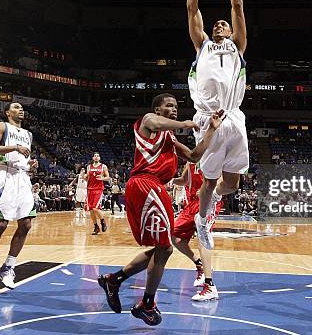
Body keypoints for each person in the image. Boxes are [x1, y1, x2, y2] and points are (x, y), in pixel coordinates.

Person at [97, 93, 223, 326]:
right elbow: (154, 122)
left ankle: (115, 280)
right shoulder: (148, 122)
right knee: (165, 248)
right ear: (157, 109)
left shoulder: (169, 138)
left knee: (162, 249)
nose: (174, 109)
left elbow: (194, 156)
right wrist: (186, 124)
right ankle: (146, 303)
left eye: (176, 106)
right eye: (169, 106)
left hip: (156, 188)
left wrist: (211, 131)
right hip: (145, 183)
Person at [187, 0, 248, 249]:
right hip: (209, 116)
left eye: (223, 23)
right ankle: (202, 219)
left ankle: (205, 203)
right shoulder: (203, 46)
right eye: (217, 24)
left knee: (233, 183)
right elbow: (192, 9)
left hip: (234, 116)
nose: (220, 24)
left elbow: (237, 6)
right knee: (209, 181)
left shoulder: (237, 45)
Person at [0, 102, 38, 291]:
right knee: (2, 224)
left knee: (26, 224)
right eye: (16, 107)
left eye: (21, 108)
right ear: (7, 112)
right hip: (5, 175)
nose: (21, 110)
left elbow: (24, 158)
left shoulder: (28, 134)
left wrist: (31, 165)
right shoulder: (2, 126)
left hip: (22, 176)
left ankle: (7, 268)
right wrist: (15, 148)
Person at [171, 161, 222, 301]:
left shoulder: (215, 157)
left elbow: (224, 180)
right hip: (192, 204)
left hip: (208, 201)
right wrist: (170, 179)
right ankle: (199, 263)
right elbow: (183, 180)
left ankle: (210, 285)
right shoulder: (191, 162)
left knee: (203, 240)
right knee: (174, 235)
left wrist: (209, 189)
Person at [86, 152, 110, 234]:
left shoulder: (103, 166)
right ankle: (96, 227)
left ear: (99, 158)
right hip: (89, 189)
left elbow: (108, 177)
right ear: (93, 158)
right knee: (91, 210)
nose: (96, 157)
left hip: (98, 189)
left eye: (97, 156)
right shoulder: (89, 167)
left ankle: (103, 222)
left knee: (95, 208)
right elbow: (87, 178)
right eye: (95, 156)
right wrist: (84, 177)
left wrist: (102, 178)